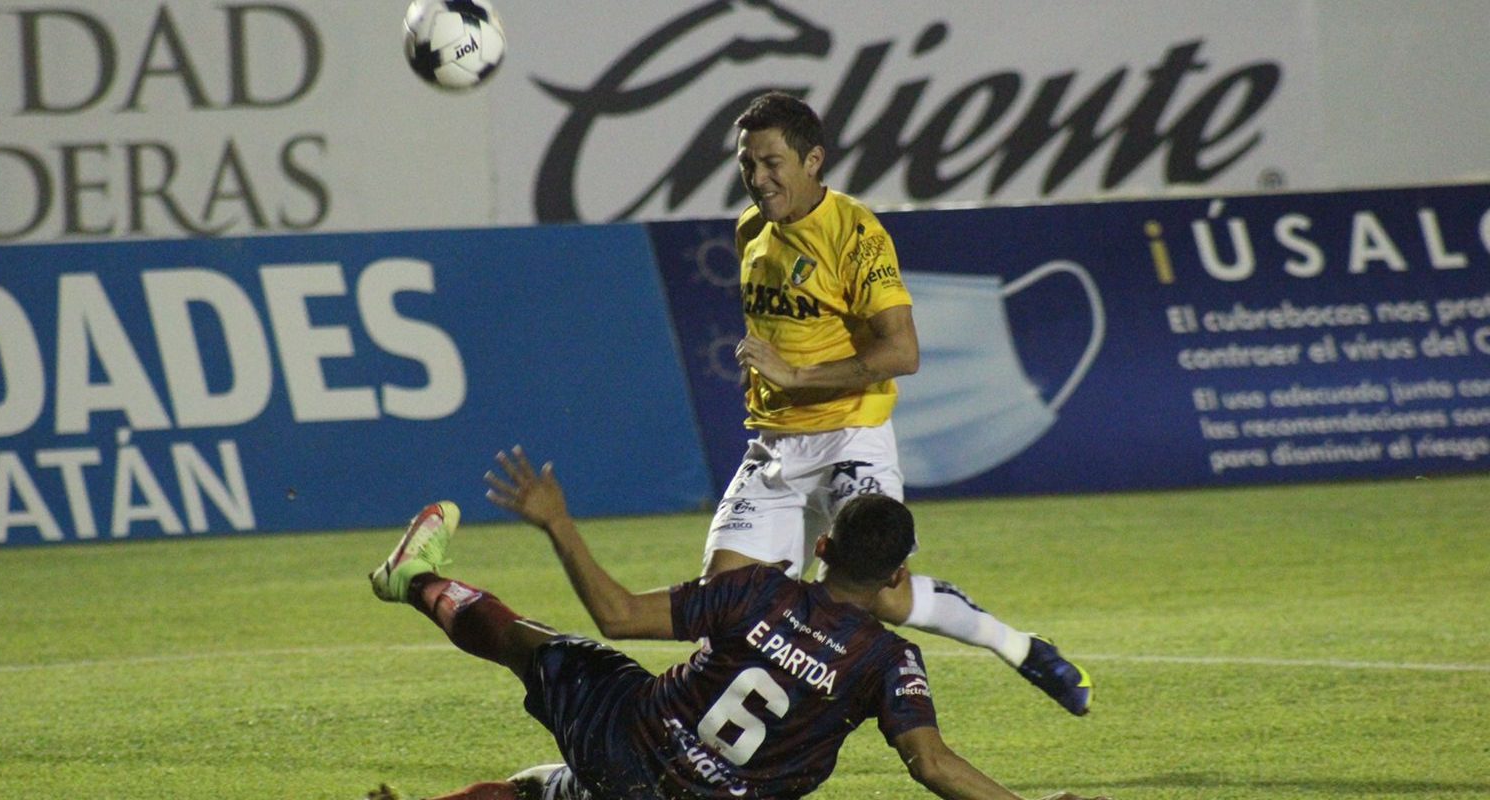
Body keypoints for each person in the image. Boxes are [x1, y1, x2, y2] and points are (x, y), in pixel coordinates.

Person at [365, 446, 1110, 800]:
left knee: (528, 645)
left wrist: (559, 523)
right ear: (896, 576)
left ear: (821, 547)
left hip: (626, 739)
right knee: (551, 794)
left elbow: (617, 614)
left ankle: (417, 580)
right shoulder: (891, 662)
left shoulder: (756, 590)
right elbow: (933, 765)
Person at [708, 90, 1092, 715]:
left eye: (772, 162)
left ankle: (1018, 646)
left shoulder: (857, 234)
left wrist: (797, 375)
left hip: (850, 438)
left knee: (883, 596)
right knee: (721, 603)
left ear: (813, 160)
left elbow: (902, 353)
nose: (757, 177)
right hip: (776, 445)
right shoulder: (752, 230)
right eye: (747, 163)